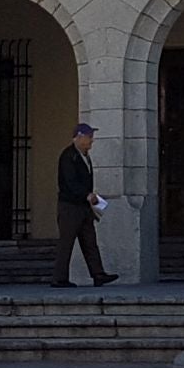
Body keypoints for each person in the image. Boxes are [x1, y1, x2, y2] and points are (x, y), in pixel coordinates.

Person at [51, 122, 118, 288]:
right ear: (79, 137)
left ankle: (98, 274)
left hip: (83, 207)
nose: (92, 141)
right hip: (70, 207)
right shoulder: (69, 156)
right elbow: (70, 182)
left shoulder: (84, 156)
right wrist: (86, 194)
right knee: (66, 242)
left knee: (90, 241)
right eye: (89, 137)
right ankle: (60, 278)